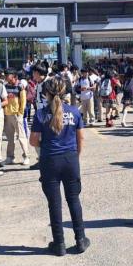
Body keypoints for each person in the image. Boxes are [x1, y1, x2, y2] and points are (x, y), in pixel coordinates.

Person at [29, 77, 89, 256]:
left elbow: (33, 141)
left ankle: (59, 243)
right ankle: (80, 240)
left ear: (46, 93)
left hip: (49, 160)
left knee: (54, 204)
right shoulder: (74, 112)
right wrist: (74, 156)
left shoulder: (41, 114)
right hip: (70, 159)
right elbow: (81, 139)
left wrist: (47, 145)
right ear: (65, 93)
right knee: (74, 199)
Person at [4, 70, 31, 166]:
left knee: (22, 137)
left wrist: (20, 113)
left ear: (13, 76)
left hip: (17, 115)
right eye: (5, 75)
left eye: (8, 75)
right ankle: (10, 157)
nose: (6, 76)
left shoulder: (20, 86)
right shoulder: (5, 86)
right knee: (10, 138)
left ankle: (26, 156)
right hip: (7, 115)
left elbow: (23, 101)